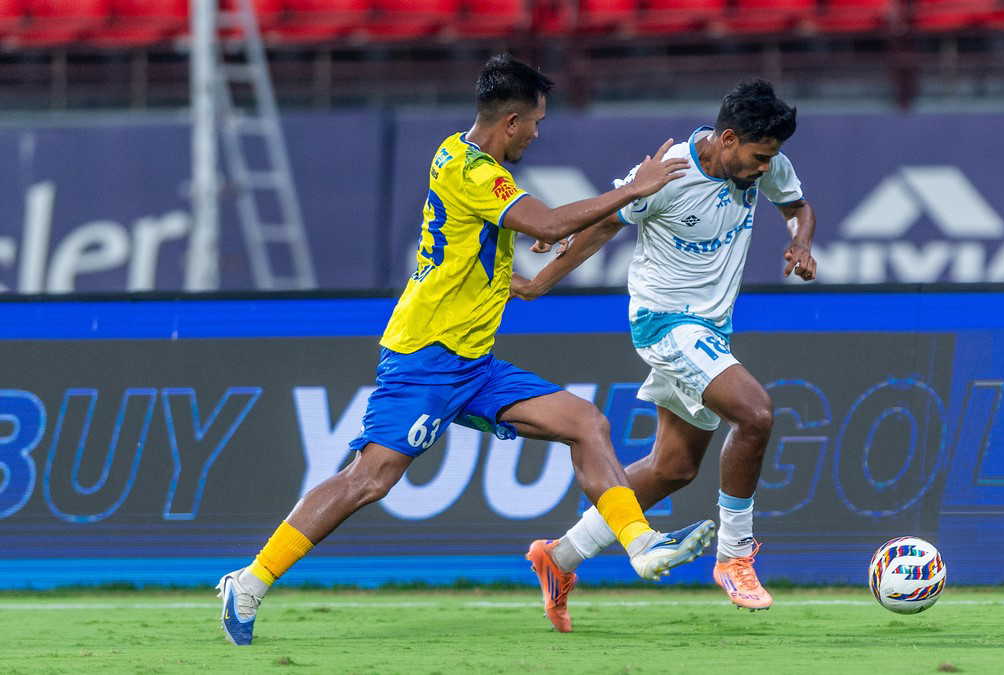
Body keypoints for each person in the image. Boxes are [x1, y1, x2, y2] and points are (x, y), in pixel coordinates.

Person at [216, 54, 716, 646]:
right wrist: (636, 189)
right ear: (511, 121)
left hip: (474, 363)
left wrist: (520, 276)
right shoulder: (476, 173)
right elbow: (548, 224)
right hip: (426, 357)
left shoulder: (454, 152)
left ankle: (640, 545)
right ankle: (249, 582)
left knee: (585, 422)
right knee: (368, 480)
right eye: (535, 123)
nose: (537, 134)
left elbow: (492, 239)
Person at [512, 79, 817, 631]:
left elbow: (797, 207)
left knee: (673, 468)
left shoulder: (766, 163)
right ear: (728, 139)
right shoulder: (668, 174)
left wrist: (800, 241)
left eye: (771, 158)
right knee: (755, 413)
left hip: (710, 332)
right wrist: (538, 284)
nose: (764, 168)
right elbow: (604, 223)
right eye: (757, 157)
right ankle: (735, 555)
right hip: (665, 324)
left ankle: (559, 557)